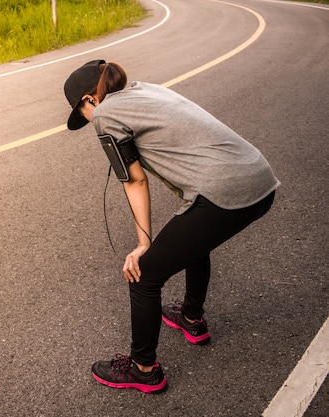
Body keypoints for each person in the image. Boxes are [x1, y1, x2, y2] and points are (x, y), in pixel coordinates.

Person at [63, 60, 280, 393]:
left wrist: (142, 245)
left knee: (144, 274)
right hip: (259, 179)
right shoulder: (146, 89)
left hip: (223, 190)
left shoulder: (106, 114)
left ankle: (143, 369)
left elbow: (134, 181)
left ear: (90, 100)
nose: (88, 121)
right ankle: (191, 318)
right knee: (193, 231)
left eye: (83, 113)